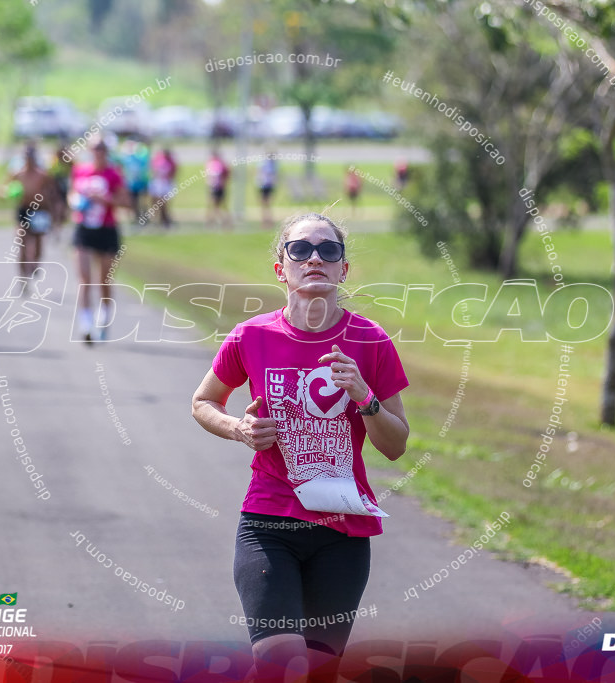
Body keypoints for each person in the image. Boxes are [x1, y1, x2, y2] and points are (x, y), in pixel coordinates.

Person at [191, 213, 410, 681]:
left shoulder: (370, 341)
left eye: (328, 250)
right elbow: (203, 402)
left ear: (343, 270)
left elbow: (396, 446)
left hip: (342, 534)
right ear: (280, 267)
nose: (315, 258)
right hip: (269, 524)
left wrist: (364, 397)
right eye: (300, 249)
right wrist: (238, 429)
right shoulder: (251, 336)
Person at [68, 139, 130, 344]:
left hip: (107, 229)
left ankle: (103, 319)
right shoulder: (80, 170)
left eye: (102, 150)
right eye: (95, 149)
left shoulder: (113, 174)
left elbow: (126, 202)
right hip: (84, 229)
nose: (98, 153)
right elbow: (72, 193)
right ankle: (85, 325)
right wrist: (75, 201)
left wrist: (106, 199)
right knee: (84, 279)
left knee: (104, 280)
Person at [3, 142, 63, 276]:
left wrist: (54, 211)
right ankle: (23, 273)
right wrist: (8, 192)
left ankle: (34, 263)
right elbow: (4, 188)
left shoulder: (43, 175)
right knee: (21, 241)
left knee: (37, 241)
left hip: (39, 211)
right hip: (23, 210)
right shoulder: (17, 174)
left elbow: (53, 193)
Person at [148, 147, 177, 228]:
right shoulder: (159, 160)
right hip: (159, 183)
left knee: (163, 202)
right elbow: (154, 170)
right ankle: (158, 219)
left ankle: (164, 219)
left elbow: (173, 172)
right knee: (156, 201)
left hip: (165, 183)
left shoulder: (170, 162)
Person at [206, 150, 231, 229]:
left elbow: (227, 174)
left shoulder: (220, 164)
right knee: (214, 205)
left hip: (219, 187)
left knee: (219, 205)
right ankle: (214, 222)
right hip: (213, 187)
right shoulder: (210, 163)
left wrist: (223, 183)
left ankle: (225, 222)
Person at [257, 153, 278, 230]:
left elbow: (269, 176)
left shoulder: (268, 165)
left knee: (266, 205)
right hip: (265, 186)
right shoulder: (270, 164)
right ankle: (266, 221)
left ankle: (268, 221)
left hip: (266, 186)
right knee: (265, 205)